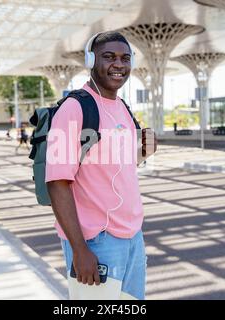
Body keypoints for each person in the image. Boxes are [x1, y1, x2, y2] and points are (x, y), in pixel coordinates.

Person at [45, 31, 157, 300]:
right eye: (109, 57)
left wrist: (144, 150)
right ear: (91, 60)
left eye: (125, 58)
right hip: (97, 241)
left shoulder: (123, 108)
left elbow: (121, 165)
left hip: (133, 237)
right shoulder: (74, 109)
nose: (119, 64)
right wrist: (80, 249)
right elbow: (57, 183)